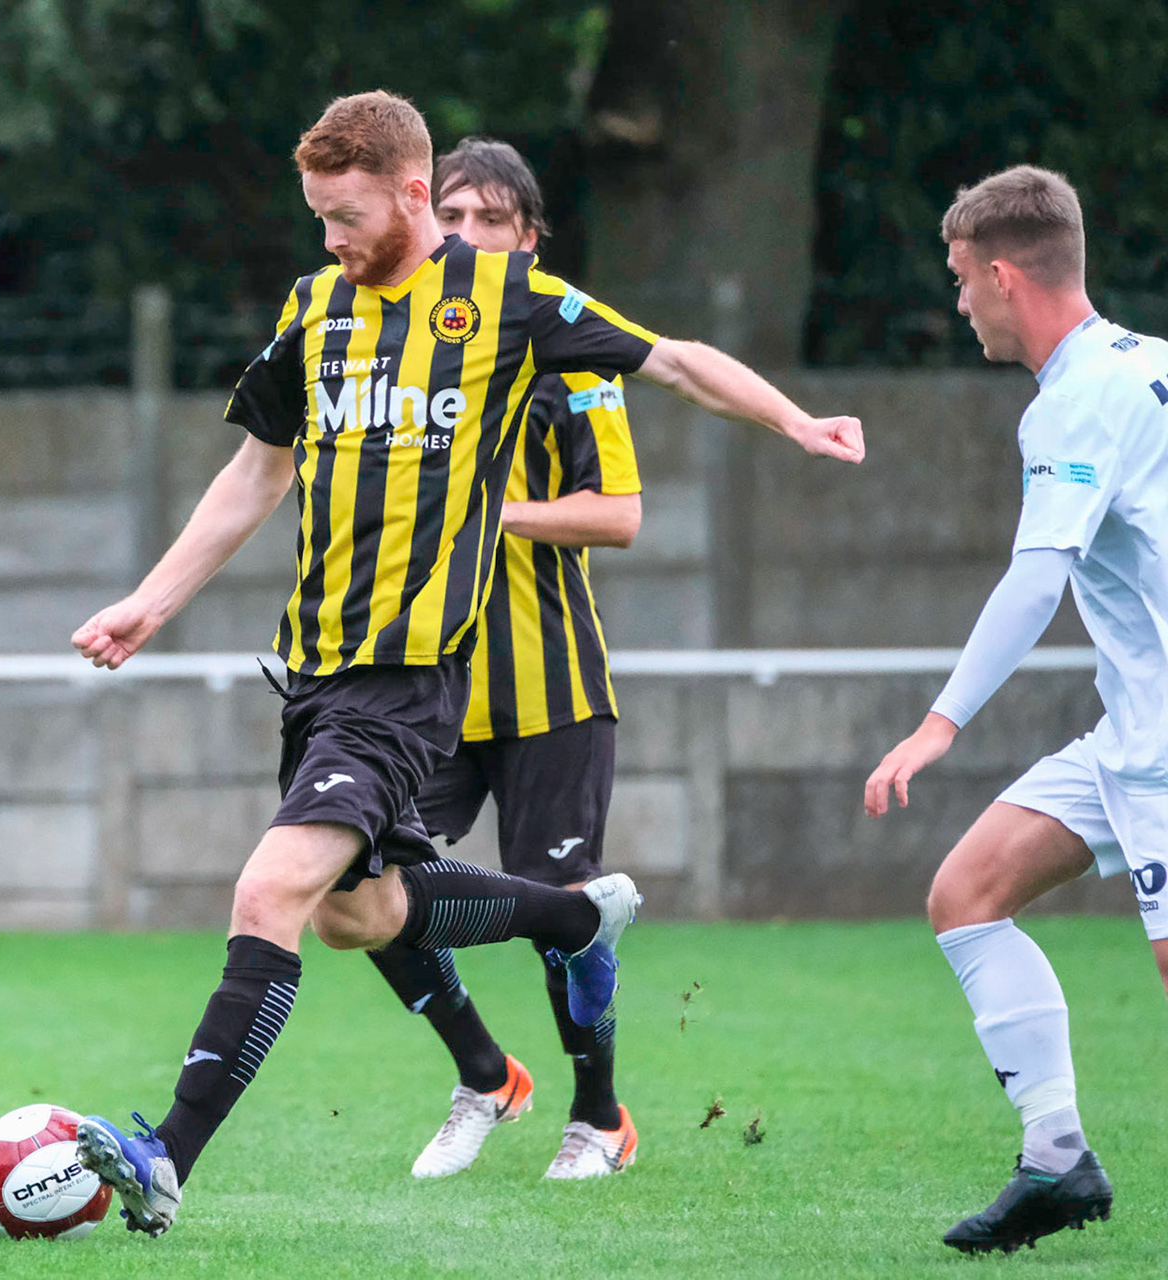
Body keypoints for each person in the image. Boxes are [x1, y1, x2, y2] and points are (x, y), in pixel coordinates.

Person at [71, 90, 863, 1239]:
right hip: (318, 670)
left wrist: (795, 421)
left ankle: (165, 1156)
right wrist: (151, 600)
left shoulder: (506, 299)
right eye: (316, 219)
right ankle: (574, 918)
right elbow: (258, 471)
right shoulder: (315, 308)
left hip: (407, 676)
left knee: (270, 889)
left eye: (344, 217)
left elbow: (677, 360)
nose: (330, 241)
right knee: (362, 912)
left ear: (406, 193)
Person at [865, 164, 1163, 1255]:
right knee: (969, 890)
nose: (958, 304)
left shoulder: (1074, 400)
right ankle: (1058, 1159)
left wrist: (939, 722)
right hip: (1131, 731)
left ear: (1001, 273)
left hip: (1167, 745)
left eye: (959, 280)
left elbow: (1036, 580)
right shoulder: (1148, 366)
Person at [375, 137, 643, 1183]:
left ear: (530, 240)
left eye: (496, 220)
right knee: (362, 883)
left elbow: (617, 515)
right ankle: (485, 1073)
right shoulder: (397, 342)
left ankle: (599, 1114)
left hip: (550, 687)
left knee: (559, 911)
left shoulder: (569, 352)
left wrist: (491, 510)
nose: (471, 236)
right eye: (456, 218)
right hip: (423, 685)